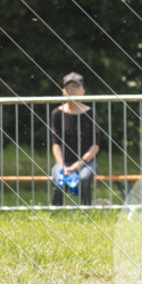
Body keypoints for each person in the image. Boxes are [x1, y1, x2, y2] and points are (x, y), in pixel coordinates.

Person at [50, 72, 102, 206]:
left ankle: (86, 211)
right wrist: (62, 166)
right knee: (60, 180)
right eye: (69, 87)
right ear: (63, 92)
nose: (72, 90)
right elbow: (55, 144)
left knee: (84, 178)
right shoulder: (57, 114)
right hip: (64, 162)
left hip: (87, 163)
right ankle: (55, 212)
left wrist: (77, 166)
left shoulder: (91, 113)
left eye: (76, 87)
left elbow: (95, 146)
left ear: (83, 91)